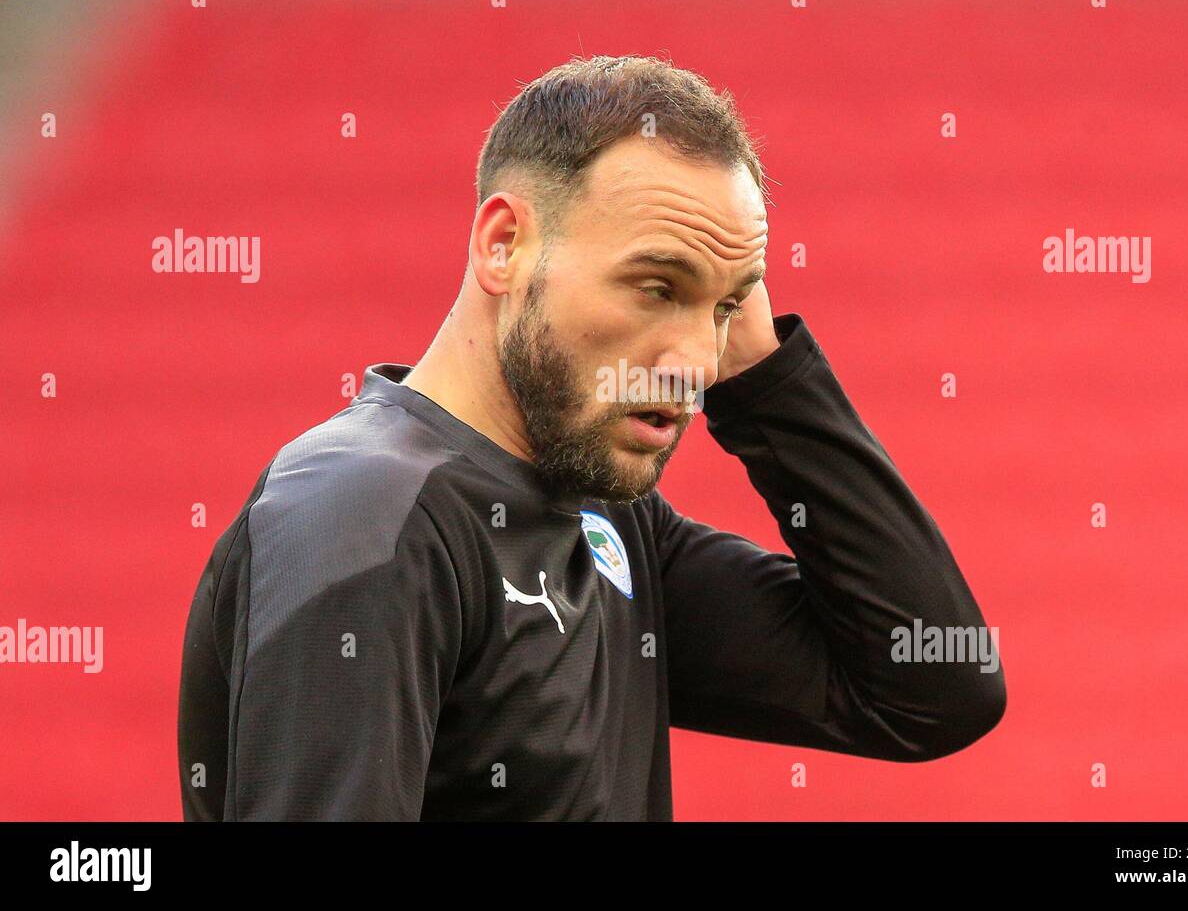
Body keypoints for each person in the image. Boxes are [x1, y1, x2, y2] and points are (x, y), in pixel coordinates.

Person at [177, 54, 1006, 821]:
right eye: (655, 286)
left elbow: (932, 687)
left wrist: (763, 374)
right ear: (505, 245)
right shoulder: (364, 514)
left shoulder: (602, 519)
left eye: (721, 309)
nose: (692, 363)